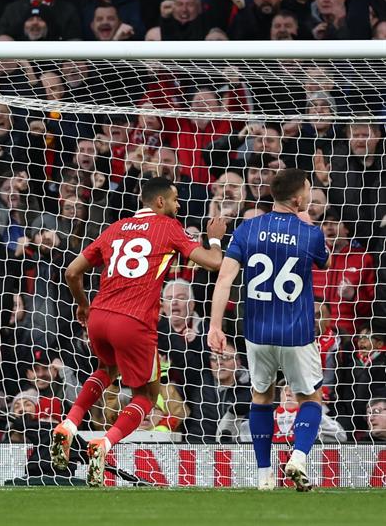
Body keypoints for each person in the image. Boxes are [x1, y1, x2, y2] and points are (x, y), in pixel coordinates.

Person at [51, 176, 226, 486]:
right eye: (174, 199)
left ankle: (70, 422)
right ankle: (103, 445)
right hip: (133, 321)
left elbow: (71, 272)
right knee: (147, 394)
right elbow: (214, 263)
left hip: (99, 317)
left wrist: (83, 306)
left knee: (106, 368)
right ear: (159, 202)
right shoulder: (168, 227)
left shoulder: (115, 228)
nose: (178, 204)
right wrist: (214, 238)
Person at [209, 168, 330, 492]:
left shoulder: (247, 229)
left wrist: (215, 326)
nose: (309, 193)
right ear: (297, 198)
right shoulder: (311, 234)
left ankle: (264, 476)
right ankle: (299, 458)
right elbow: (324, 263)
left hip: (257, 332)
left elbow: (225, 279)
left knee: (261, 397)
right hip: (296, 332)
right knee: (310, 399)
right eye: (308, 189)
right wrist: (305, 225)